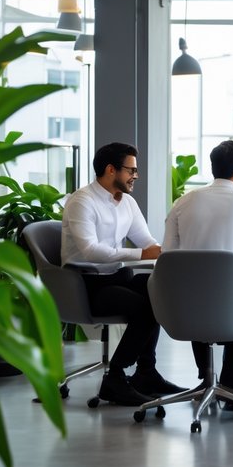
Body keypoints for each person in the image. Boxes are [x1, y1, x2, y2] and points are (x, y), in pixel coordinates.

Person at [62, 142, 186, 406]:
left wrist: (172, 254)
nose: (136, 176)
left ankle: (146, 373)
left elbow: (147, 242)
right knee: (146, 307)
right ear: (110, 170)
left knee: (158, 290)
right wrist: (142, 255)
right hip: (86, 284)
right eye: (131, 170)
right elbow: (91, 251)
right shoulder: (81, 201)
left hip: (116, 277)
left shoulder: (127, 203)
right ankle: (115, 378)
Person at [162, 138, 233, 409]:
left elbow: (168, 255)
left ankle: (206, 377)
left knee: (198, 284)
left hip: (187, 309)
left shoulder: (182, 203)